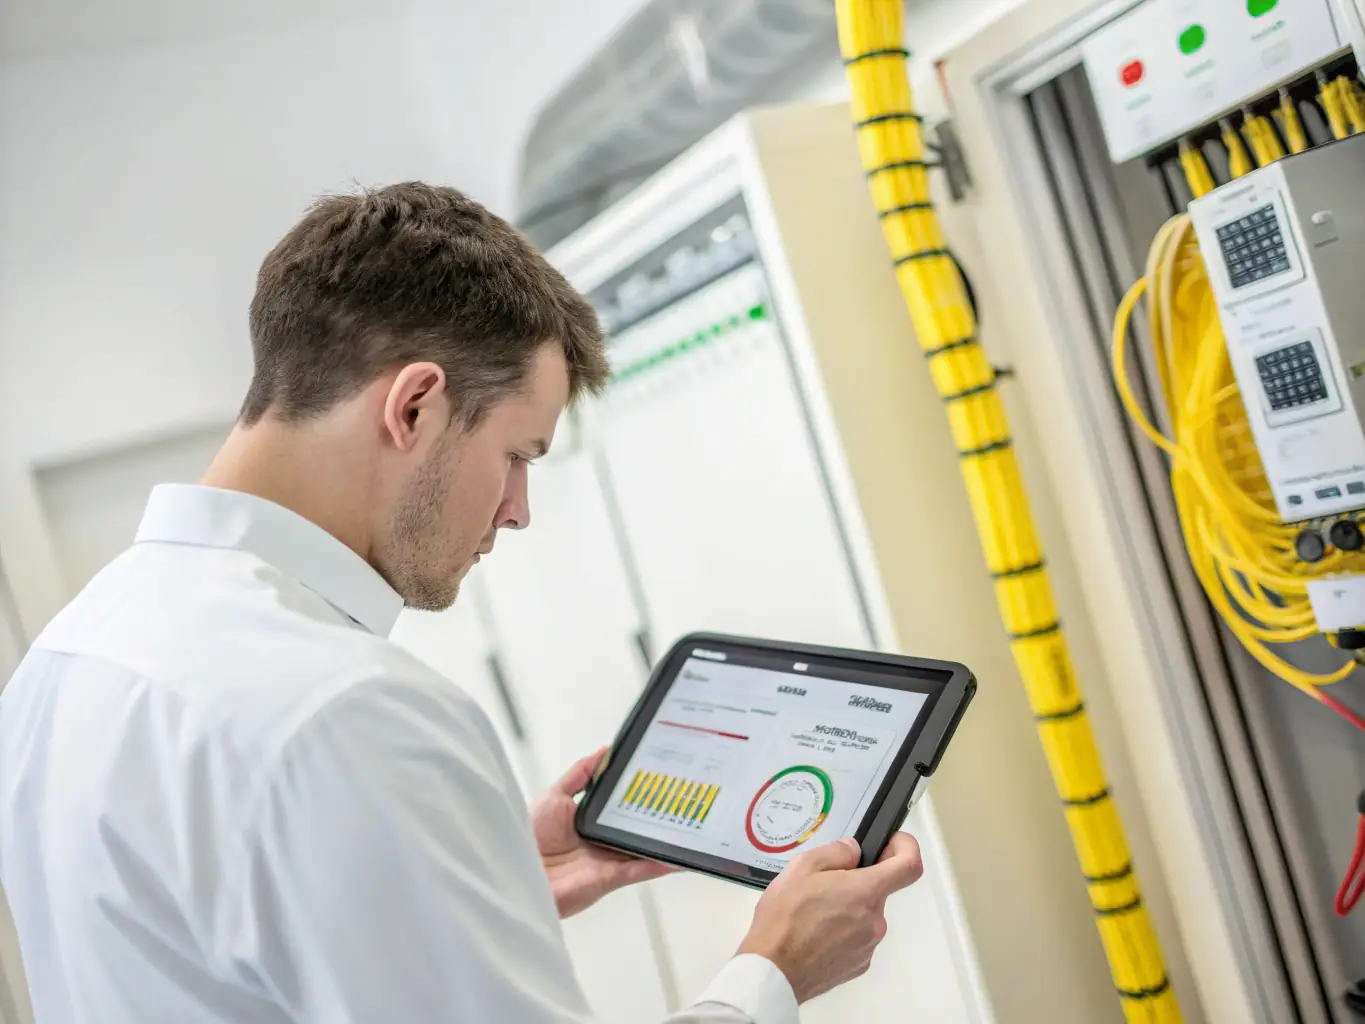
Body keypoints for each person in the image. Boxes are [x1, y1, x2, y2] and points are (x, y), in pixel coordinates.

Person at [0, 183, 924, 1023]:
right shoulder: (349, 710)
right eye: (517, 456)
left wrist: (470, 882)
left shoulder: (70, 650)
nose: (517, 510)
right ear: (415, 406)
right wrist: (775, 972)